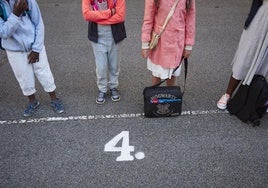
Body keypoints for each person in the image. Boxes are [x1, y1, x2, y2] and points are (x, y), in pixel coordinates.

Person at [0, 0, 64, 117]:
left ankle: (54, 99)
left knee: (44, 72)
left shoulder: (27, 1)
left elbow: (39, 23)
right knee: (24, 77)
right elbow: (4, 33)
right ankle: (32, 101)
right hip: (14, 50)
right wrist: (16, 14)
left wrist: (36, 49)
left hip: (34, 44)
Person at [217, 0, 268, 110]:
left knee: (265, 63)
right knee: (245, 56)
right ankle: (227, 94)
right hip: (260, 17)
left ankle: (260, 97)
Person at [141, 0, 196, 86]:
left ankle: (170, 95)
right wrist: (145, 43)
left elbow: (190, 20)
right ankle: (154, 94)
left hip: (177, 42)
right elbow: (148, 18)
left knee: (173, 72)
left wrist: (188, 45)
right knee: (157, 73)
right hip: (160, 41)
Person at [82, 0, 126, 104]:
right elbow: (87, 15)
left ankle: (113, 86)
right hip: (97, 36)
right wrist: (110, 12)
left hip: (115, 35)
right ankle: (102, 88)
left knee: (114, 65)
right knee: (101, 66)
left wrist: (97, 17)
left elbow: (120, 16)